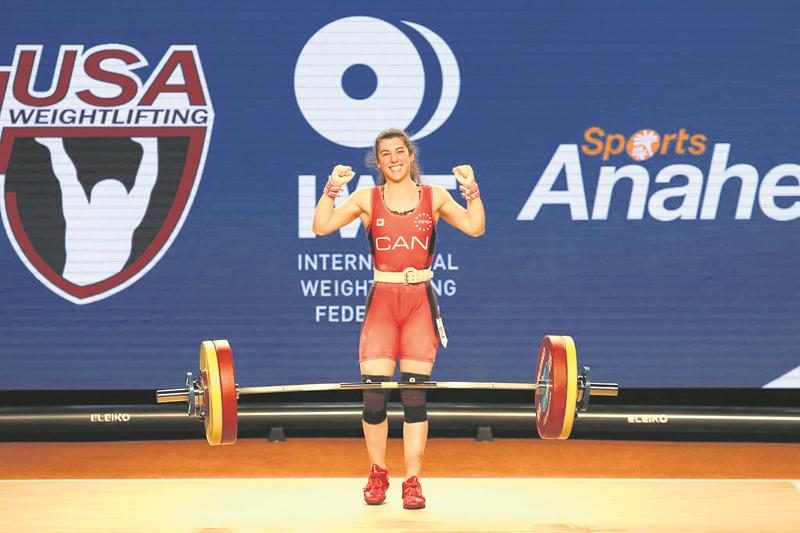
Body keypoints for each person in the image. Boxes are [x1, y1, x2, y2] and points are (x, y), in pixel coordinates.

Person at [312, 128, 485, 509]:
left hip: (419, 303)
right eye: (385, 153)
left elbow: (475, 227)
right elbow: (321, 226)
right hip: (383, 303)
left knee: (413, 395)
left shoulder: (435, 197)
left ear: (410, 155)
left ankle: (412, 480)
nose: (393, 158)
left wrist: (470, 188)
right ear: (378, 161)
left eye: (399, 151)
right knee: (372, 394)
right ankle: (377, 473)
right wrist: (331, 187)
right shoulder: (366, 199)